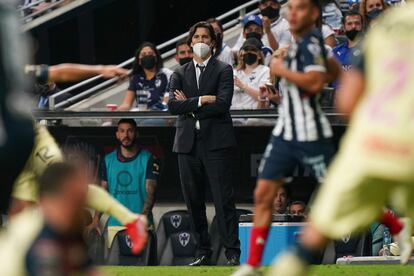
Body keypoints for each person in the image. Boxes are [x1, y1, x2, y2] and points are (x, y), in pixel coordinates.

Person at [271, 3, 414, 274]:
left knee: (324, 220)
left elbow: (345, 99)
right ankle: (401, 230)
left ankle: (291, 264)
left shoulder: (382, 30)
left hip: (368, 138)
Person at [232, 0, 337, 274]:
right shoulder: (292, 48)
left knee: (340, 192)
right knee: (263, 194)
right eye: (289, 8)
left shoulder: (313, 45)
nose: (291, 13)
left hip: (310, 133)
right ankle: (252, 264)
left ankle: (395, 225)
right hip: (284, 131)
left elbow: (317, 82)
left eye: (299, 8)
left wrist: (282, 70)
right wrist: (279, 96)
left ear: (313, 14)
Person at [9, 63, 148, 255]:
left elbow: (58, 72)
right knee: (20, 220)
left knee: (64, 184)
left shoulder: (9, 67)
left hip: (31, 139)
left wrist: (99, 70)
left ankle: (131, 221)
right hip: (12, 152)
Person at [168, 21, 240, 266]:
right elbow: (172, 106)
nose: (200, 41)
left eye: (205, 37)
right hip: (187, 146)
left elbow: (223, 104)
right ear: (190, 42)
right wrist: (202, 101)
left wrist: (190, 105)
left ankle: (232, 253)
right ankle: (203, 252)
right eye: (196, 37)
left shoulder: (223, 70)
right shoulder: (179, 72)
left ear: (213, 42)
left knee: (223, 201)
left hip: (216, 144)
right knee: (194, 202)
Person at [0, 163, 100, 276]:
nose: (79, 210)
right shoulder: (39, 237)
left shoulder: (64, 227)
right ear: (50, 201)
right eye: (74, 201)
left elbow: (89, 268)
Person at [103, 119, 159, 246]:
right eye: (122, 131)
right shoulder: (107, 160)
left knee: (146, 265)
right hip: (115, 226)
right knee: (115, 265)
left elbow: (151, 192)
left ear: (136, 134)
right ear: (117, 135)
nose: (126, 135)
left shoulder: (149, 158)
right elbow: (102, 192)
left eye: (130, 131)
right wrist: (96, 220)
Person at [118, 42, 172, 111]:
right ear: (139, 61)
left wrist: (152, 110)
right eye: (143, 54)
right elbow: (127, 104)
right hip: (141, 115)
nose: (147, 56)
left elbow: (166, 102)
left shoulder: (166, 74)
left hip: (160, 114)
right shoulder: (136, 78)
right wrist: (116, 113)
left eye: (150, 54)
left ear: (156, 57)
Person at [232, 38, 270, 110]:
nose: (249, 53)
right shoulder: (234, 72)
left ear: (259, 55)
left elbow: (264, 98)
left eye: (253, 50)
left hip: (253, 115)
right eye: (246, 50)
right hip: (235, 114)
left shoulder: (265, 71)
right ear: (242, 54)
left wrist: (243, 86)